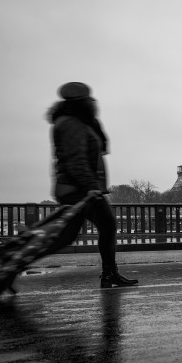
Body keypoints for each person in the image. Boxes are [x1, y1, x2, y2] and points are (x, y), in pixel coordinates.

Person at [47, 81, 138, 288]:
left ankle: (109, 274)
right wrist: (92, 186)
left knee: (70, 235)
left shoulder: (76, 122)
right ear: (81, 103)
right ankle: (109, 274)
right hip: (79, 189)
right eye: (88, 99)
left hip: (77, 188)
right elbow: (75, 160)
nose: (92, 102)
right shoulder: (72, 124)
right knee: (98, 229)